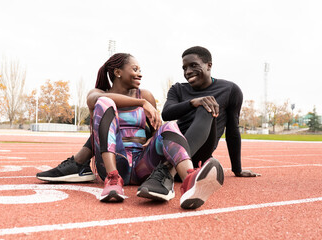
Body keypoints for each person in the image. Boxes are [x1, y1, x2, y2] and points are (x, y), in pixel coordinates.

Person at [37, 53, 224, 209]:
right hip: (117, 161)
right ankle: (112, 180)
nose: (140, 74)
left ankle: (189, 180)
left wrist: (153, 138)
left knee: (170, 125)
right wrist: (141, 104)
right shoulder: (97, 94)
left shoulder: (147, 95)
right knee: (105, 103)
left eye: (140, 70)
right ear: (118, 72)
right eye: (135, 69)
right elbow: (99, 101)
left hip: (143, 164)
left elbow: (156, 130)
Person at [137, 46, 260, 201]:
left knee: (208, 105)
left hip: (200, 152)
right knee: (204, 104)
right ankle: (170, 170)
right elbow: (167, 113)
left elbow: (233, 131)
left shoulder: (230, 90)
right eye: (184, 68)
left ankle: (167, 170)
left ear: (209, 65)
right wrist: (193, 102)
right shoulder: (178, 89)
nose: (188, 71)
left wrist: (237, 169)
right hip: (171, 148)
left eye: (193, 65)